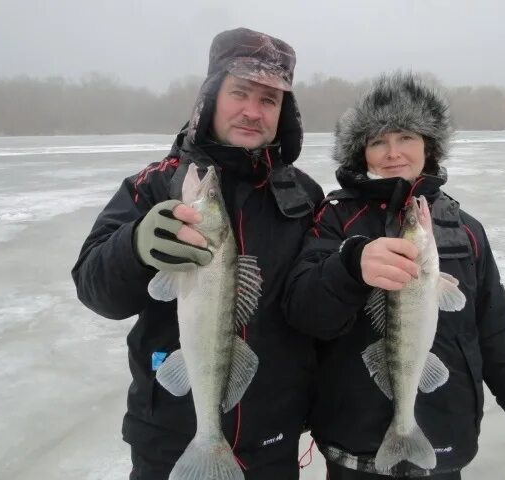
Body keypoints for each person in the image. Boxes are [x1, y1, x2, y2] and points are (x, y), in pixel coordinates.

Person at [72, 27, 324, 480]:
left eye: (269, 100)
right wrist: (134, 247)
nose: (252, 111)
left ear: (284, 112)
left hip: (273, 443)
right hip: (169, 442)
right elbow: (94, 288)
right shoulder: (156, 184)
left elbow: (318, 308)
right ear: (210, 97)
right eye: (240, 93)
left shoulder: (304, 195)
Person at [283, 72, 505, 479]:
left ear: (430, 144)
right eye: (377, 141)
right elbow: (304, 313)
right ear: (362, 152)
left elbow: (492, 331)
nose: (393, 152)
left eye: (406, 137)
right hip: (355, 445)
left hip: (442, 440)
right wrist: (350, 267)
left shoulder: (465, 230)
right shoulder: (336, 218)